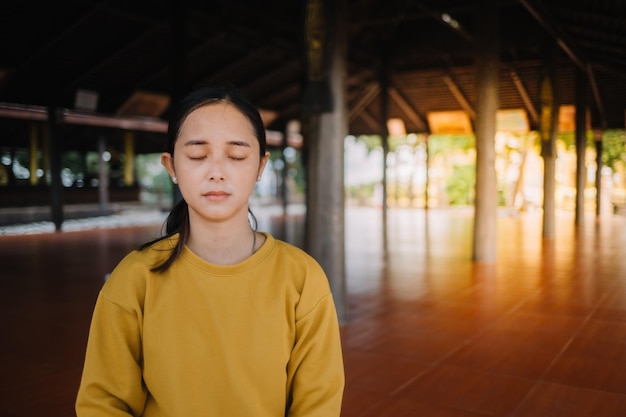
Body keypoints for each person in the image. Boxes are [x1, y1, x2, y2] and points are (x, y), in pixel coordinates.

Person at [75, 84, 345, 417]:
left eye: (236, 156)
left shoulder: (303, 279)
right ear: (171, 166)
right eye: (198, 155)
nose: (216, 172)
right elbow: (103, 403)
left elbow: (318, 405)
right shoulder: (134, 279)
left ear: (261, 165)